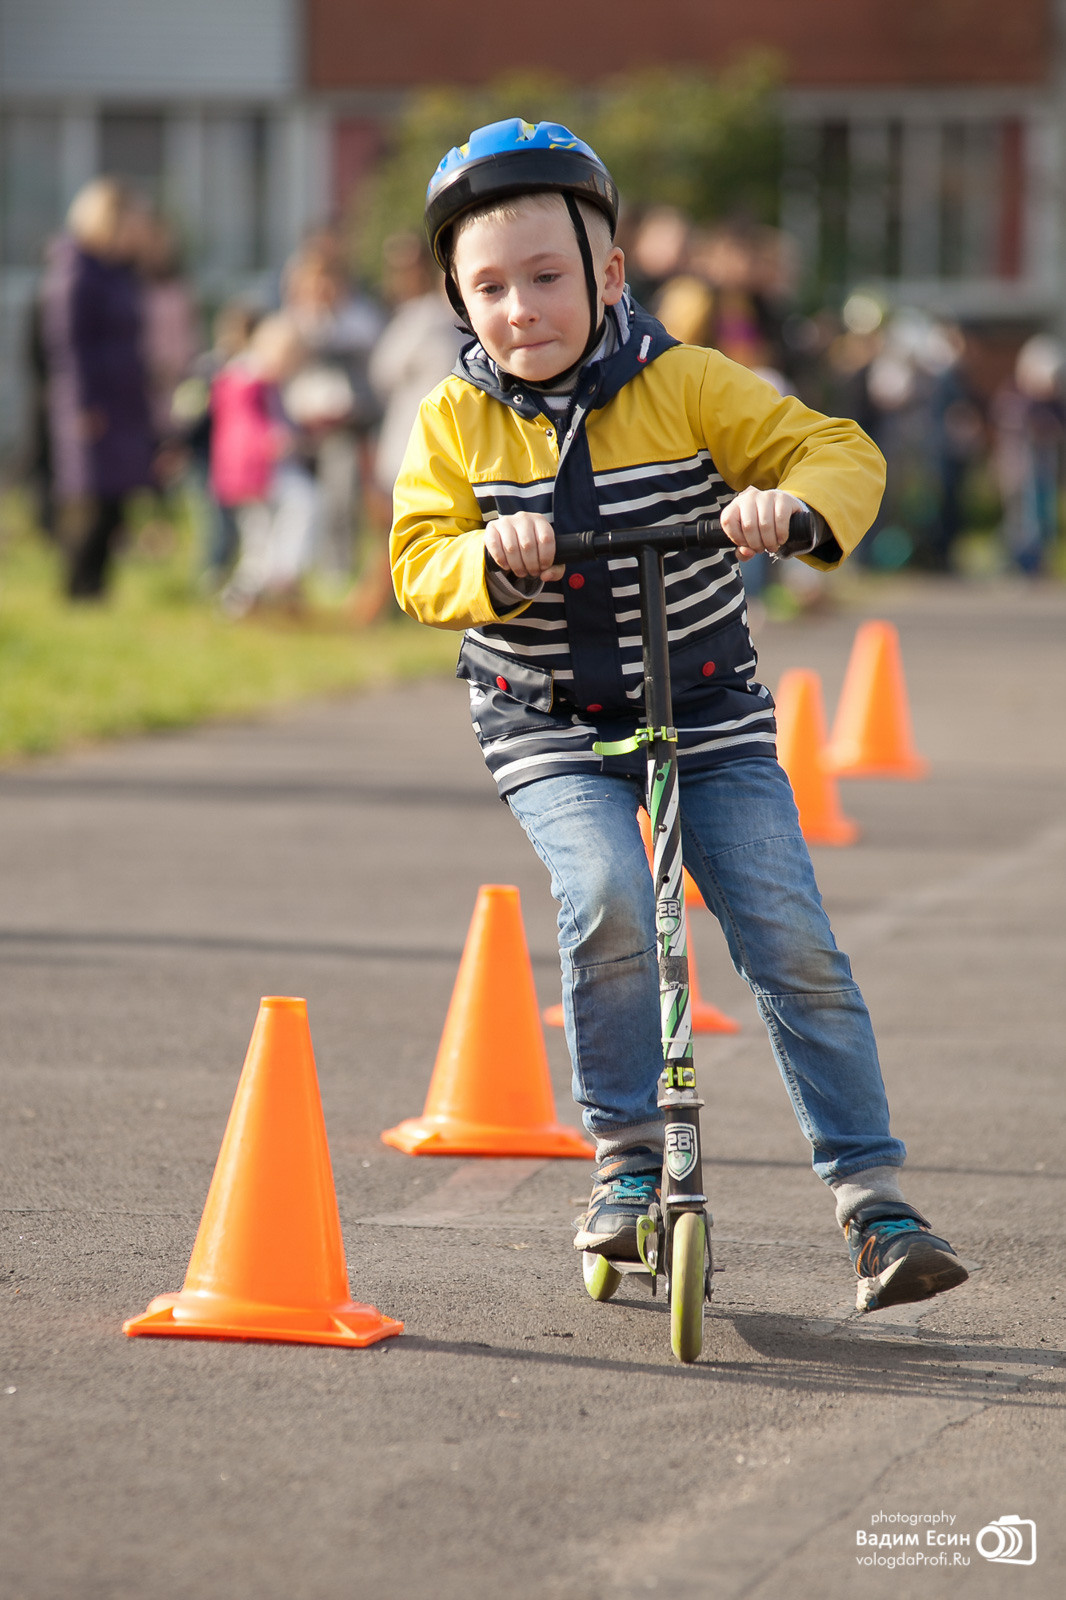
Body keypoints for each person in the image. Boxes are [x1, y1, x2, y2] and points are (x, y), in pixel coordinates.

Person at [390, 119, 969, 1314]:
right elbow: (415, 559)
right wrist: (488, 560)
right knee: (606, 900)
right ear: (455, 291)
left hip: (703, 712)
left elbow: (833, 446)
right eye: (487, 285)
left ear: (608, 276)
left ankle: (872, 1201)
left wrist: (790, 508)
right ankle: (627, 1164)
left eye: (547, 277)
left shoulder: (689, 381)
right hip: (545, 719)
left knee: (788, 936)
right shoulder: (456, 420)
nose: (519, 309)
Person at [38, 177, 156, 598]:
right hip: (93, 401)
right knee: (88, 499)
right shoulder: (76, 274)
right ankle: (78, 588)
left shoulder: (115, 273)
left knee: (113, 497)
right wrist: (82, 405)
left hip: (121, 398)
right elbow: (68, 345)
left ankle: (98, 588)